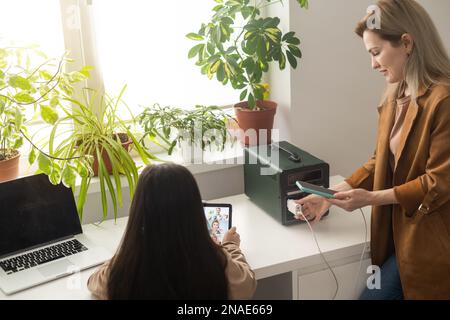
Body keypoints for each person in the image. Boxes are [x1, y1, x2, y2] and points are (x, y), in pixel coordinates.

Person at [296, 0, 450, 300]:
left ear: (406, 43)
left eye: (376, 53)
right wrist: (330, 196)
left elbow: (439, 182)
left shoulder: (443, 101)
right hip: (400, 234)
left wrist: (371, 199)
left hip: (433, 241)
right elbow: (381, 161)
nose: (373, 64)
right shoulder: (396, 92)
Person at [87, 163, 257, 299]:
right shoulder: (215, 261)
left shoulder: (124, 271)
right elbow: (247, 285)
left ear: (139, 213)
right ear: (195, 213)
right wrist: (230, 246)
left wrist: (132, 247)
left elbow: (93, 281)